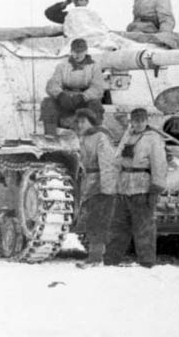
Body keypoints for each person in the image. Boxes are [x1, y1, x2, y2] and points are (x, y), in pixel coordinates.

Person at [104, 108, 167, 267]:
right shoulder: (128, 135)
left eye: (141, 120)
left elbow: (159, 164)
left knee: (143, 227)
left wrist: (156, 189)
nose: (138, 123)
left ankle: (146, 263)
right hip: (124, 187)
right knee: (118, 226)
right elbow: (117, 159)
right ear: (131, 121)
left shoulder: (153, 139)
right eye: (135, 120)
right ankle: (111, 260)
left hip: (142, 187)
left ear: (146, 121)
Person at [73, 108, 117, 267]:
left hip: (100, 184)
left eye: (83, 121)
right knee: (93, 221)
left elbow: (107, 163)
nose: (80, 124)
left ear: (91, 122)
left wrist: (107, 189)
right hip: (91, 184)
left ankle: (96, 257)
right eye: (78, 121)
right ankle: (96, 256)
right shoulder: (86, 137)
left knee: (98, 221)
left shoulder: (100, 137)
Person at [40, 38, 106, 135]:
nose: (77, 55)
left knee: (95, 105)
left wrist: (83, 97)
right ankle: (51, 136)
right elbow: (53, 83)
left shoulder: (94, 67)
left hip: (84, 100)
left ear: (86, 51)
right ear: (71, 51)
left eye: (80, 52)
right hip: (66, 99)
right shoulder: (62, 66)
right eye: (75, 52)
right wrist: (60, 95)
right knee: (48, 103)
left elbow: (98, 87)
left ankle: (92, 136)